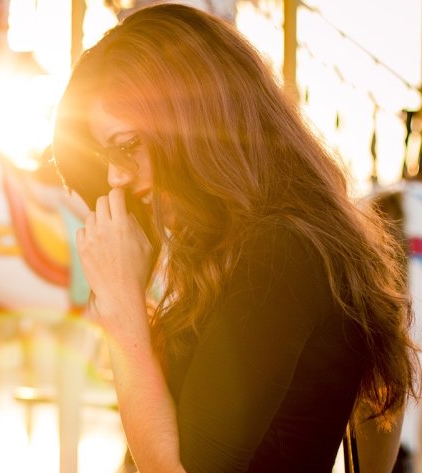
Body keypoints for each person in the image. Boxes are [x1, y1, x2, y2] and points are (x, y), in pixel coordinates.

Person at [51, 4, 420, 472]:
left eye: (128, 145)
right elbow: (378, 416)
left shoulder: (278, 251)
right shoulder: (290, 242)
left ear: (195, 123)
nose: (116, 177)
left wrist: (122, 314)